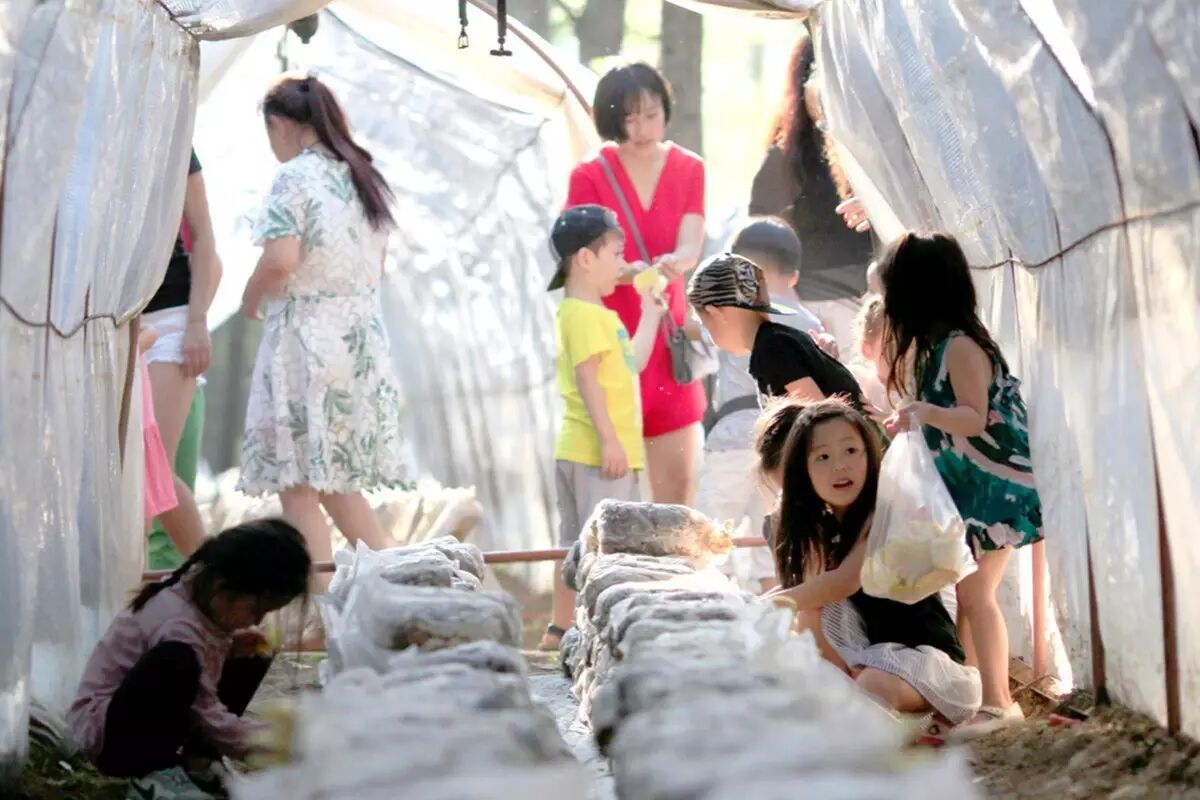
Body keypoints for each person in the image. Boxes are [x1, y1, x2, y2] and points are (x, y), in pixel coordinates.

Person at [239, 74, 408, 584]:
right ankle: (398, 588)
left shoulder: (294, 178)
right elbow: (377, 265)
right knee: (335, 483)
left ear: (279, 125)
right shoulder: (362, 176)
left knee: (297, 485)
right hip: (356, 341)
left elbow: (281, 260)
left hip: (306, 342)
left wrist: (252, 295)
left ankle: (317, 607)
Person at [881, 231, 1043, 738]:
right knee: (967, 595)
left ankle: (999, 703)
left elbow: (974, 417)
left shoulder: (961, 347)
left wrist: (924, 412)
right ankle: (974, 700)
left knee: (977, 596)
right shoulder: (937, 348)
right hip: (969, 495)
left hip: (994, 494)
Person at [764, 400, 981, 726]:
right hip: (866, 661)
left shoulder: (883, 513)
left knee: (871, 684)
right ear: (802, 472)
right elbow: (811, 603)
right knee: (807, 630)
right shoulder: (821, 528)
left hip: (925, 664)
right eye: (823, 457)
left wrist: (764, 605)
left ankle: (889, 730)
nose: (840, 466)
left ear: (870, 454)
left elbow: (844, 582)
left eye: (851, 451)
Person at [69, 519, 311, 799]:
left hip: (144, 715)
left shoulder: (197, 596)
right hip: (109, 738)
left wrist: (231, 648)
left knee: (253, 653)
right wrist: (271, 740)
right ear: (223, 588)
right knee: (176, 662)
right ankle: (149, 773)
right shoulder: (178, 628)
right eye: (257, 610)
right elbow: (206, 713)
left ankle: (199, 762)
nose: (257, 620)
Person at [565, 62, 707, 506]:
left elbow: (691, 244)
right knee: (608, 500)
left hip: (667, 340)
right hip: (609, 343)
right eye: (629, 118)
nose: (642, 128)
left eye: (651, 114)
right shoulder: (589, 175)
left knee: (677, 494)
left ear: (665, 110)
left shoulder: (689, 168)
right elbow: (580, 260)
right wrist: (630, 272)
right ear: (611, 119)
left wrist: (673, 263)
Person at [541, 205, 666, 650]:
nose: (623, 264)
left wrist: (651, 314)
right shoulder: (581, 313)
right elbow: (586, 378)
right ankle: (587, 631)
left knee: (577, 544)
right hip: (596, 451)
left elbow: (634, 363)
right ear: (585, 259)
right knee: (602, 546)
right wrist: (610, 440)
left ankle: (561, 630)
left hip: (599, 450)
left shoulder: (600, 314)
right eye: (615, 253)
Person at [695, 219, 825, 593]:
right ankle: (779, 609)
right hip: (782, 439)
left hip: (733, 435)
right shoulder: (809, 322)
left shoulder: (727, 311)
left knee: (709, 531)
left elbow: (694, 335)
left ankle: (707, 603)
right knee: (777, 537)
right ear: (794, 275)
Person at [749, 35, 874, 351]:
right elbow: (760, 234)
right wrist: (787, 299)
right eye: (816, 76)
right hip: (807, 303)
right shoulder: (786, 157)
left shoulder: (871, 149)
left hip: (866, 300)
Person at [143, 149, 223, 560]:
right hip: (104, 323)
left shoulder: (170, 137)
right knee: (132, 472)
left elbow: (204, 235)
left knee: (151, 464)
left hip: (169, 318)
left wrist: (197, 322)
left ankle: (214, 575)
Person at [687, 253, 864, 409]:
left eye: (704, 322)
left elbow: (819, 416)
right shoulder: (775, 341)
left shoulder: (771, 348)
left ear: (716, 313)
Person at [846, 293, 891, 415]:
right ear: (867, 349)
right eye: (890, 345)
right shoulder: (856, 380)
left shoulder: (921, 389)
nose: (905, 353)